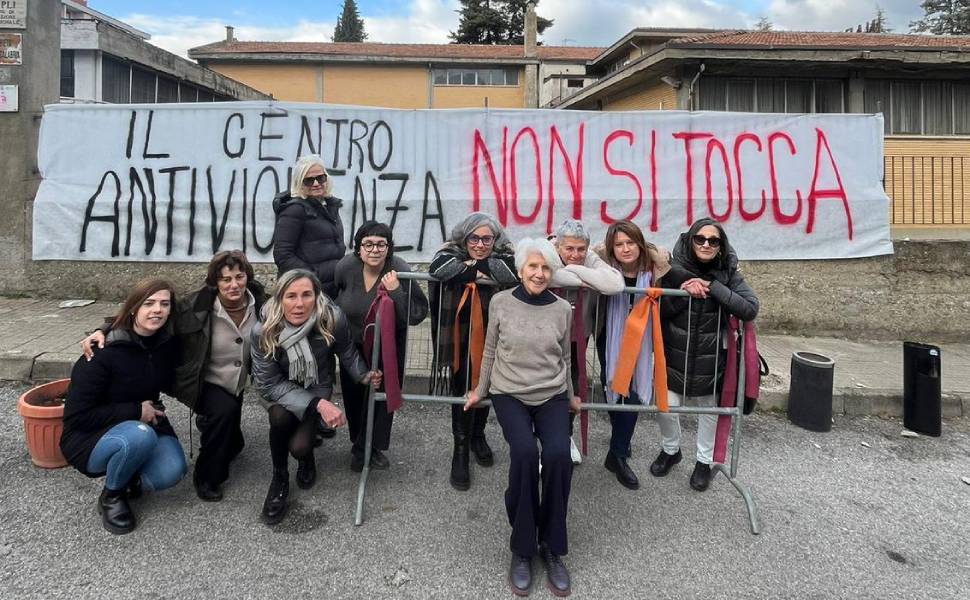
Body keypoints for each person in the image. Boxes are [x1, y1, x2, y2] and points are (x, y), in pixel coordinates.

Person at [81, 250, 268, 503]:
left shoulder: (262, 302)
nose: (234, 284)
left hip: (238, 379)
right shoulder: (194, 306)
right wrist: (103, 329)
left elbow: (289, 312)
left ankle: (217, 430)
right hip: (201, 379)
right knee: (222, 412)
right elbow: (145, 316)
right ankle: (207, 476)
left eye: (239, 276)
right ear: (215, 282)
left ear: (248, 277)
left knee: (232, 437)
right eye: (226, 279)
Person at [465, 237, 580, 598]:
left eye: (545, 267)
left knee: (560, 456)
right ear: (520, 270)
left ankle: (552, 546)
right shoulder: (500, 302)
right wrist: (479, 390)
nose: (539, 273)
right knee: (526, 454)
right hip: (510, 392)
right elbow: (489, 350)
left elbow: (564, 356)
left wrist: (573, 394)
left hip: (552, 394)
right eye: (533, 266)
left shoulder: (563, 309)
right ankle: (522, 548)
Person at [250, 269, 381, 525]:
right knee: (280, 417)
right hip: (277, 389)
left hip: (315, 385)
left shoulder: (331, 318)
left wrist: (363, 375)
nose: (299, 304)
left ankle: (306, 459)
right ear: (279, 299)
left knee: (299, 448)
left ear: (317, 296)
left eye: (306, 295)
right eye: (291, 296)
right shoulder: (264, 329)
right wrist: (320, 405)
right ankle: (279, 477)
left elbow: (346, 351)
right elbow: (267, 383)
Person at [61, 279, 187, 535]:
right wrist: (136, 411)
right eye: (149, 303)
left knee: (173, 471)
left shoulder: (165, 343)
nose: (157, 310)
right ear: (133, 308)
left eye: (164, 304)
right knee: (139, 436)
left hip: (142, 421)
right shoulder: (101, 351)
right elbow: (77, 416)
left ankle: (129, 477)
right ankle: (112, 495)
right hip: (89, 437)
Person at [653, 218, 759, 491]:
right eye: (700, 238)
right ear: (690, 240)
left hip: (712, 360)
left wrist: (712, 287)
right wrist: (683, 290)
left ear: (721, 246)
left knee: (709, 412)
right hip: (675, 353)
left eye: (713, 240)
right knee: (666, 407)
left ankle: (703, 461)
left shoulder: (729, 274)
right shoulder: (673, 270)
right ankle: (670, 450)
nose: (706, 244)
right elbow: (659, 311)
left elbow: (750, 307)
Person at [428, 212, 518, 491]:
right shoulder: (449, 250)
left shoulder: (506, 253)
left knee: (488, 386)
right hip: (459, 338)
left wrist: (470, 267)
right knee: (462, 388)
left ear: (495, 239)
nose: (480, 244)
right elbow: (438, 268)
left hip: (496, 337)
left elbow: (511, 273)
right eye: (474, 239)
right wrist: (478, 271)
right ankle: (461, 449)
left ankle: (478, 435)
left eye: (486, 239)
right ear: (464, 238)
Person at [333, 221, 429, 471]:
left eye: (381, 244)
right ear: (358, 248)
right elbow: (334, 297)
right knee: (354, 396)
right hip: (352, 344)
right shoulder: (346, 267)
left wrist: (397, 290)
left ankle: (370, 448)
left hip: (387, 344)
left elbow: (416, 314)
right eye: (368, 244)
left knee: (381, 398)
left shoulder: (399, 268)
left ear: (389, 248)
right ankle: (358, 442)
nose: (374, 250)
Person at [596, 220, 670, 490]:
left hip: (641, 339)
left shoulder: (654, 267)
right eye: (619, 244)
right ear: (611, 248)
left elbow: (682, 273)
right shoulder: (604, 265)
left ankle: (617, 454)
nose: (625, 249)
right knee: (613, 388)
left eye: (630, 243)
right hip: (609, 336)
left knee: (632, 392)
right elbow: (580, 251)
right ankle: (621, 442)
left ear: (640, 244)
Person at [549, 219, 624, 465]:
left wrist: (575, 271)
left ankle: (566, 436)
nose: (575, 254)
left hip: (578, 338)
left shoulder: (589, 258)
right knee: (545, 388)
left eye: (580, 249)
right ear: (558, 246)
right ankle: (545, 441)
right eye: (569, 249)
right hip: (545, 337)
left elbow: (615, 284)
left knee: (573, 388)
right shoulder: (545, 251)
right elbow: (544, 275)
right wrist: (583, 278)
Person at [272, 154, 346, 298]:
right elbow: (283, 255)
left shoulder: (329, 206)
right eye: (309, 180)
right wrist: (311, 278)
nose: (316, 183)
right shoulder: (294, 210)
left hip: (332, 288)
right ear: (299, 183)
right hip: (308, 291)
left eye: (321, 178)